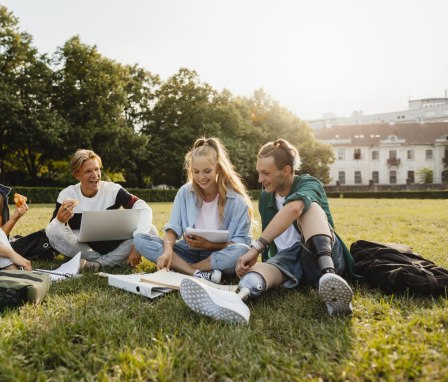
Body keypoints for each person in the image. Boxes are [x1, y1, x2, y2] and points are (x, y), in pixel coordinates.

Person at [180, 139, 356, 323]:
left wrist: (255, 248)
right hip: (288, 262)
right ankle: (235, 300)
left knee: (308, 208)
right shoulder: (266, 197)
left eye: (265, 173)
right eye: (259, 172)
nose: (259, 179)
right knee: (255, 273)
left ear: (286, 171)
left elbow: (294, 209)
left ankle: (330, 277)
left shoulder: (309, 184)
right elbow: (272, 240)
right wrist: (256, 263)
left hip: (320, 256)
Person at [134, 137, 253, 283]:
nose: (201, 177)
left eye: (207, 171)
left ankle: (185, 269)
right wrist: (168, 251)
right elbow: (173, 229)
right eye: (196, 171)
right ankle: (195, 273)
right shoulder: (185, 192)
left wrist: (208, 245)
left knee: (242, 251)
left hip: (219, 254)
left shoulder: (237, 202)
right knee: (140, 239)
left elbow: (242, 244)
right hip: (187, 252)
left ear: (219, 169)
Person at [45, 149, 157, 271]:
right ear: (77, 175)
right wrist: (60, 220)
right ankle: (113, 261)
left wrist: (137, 243)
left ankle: (98, 264)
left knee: (151, 230)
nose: (95, 175)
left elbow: (143, 208)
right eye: (88, 171)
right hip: (85, 250)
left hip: (115, 246)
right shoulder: (67, 195)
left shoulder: (113, 190)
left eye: (97, 169)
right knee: (53, 229)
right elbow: (54, 231)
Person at [0, 184, 32, 270]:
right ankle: (15, 274)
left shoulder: (1, 195)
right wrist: (11, 254)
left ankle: (15, 275)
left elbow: (1, 235)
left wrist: (15, 217)